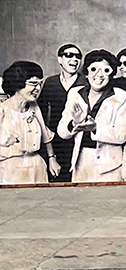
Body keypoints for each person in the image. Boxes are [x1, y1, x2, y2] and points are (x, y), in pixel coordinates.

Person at [58, 50, 126, 183]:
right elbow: (62, 132)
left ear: (112, 74)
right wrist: (75, 124)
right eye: (93, 69)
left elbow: (122, 135)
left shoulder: (120, 96)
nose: (99, 75)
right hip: (81, 162)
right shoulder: (75, 93)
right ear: (86, 73)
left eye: (106, 70)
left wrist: (95, 128)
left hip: (110, 167)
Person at [0, 62, 57, 185]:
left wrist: (52, 159)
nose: (38, 89)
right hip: (10, 169)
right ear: (18, 83)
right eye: (33, 84)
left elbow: (46, 136)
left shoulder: (34, 107)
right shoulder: (2, 110)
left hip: (37, 167)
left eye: (40, 84)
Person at [37, 44, 86, 182]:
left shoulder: (87, 82)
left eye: (78, 56)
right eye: (69, 55)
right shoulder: (50, 82)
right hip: (55, 142)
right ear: (60, 59)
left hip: (79, 139)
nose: (74, 59)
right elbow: (40, 112)